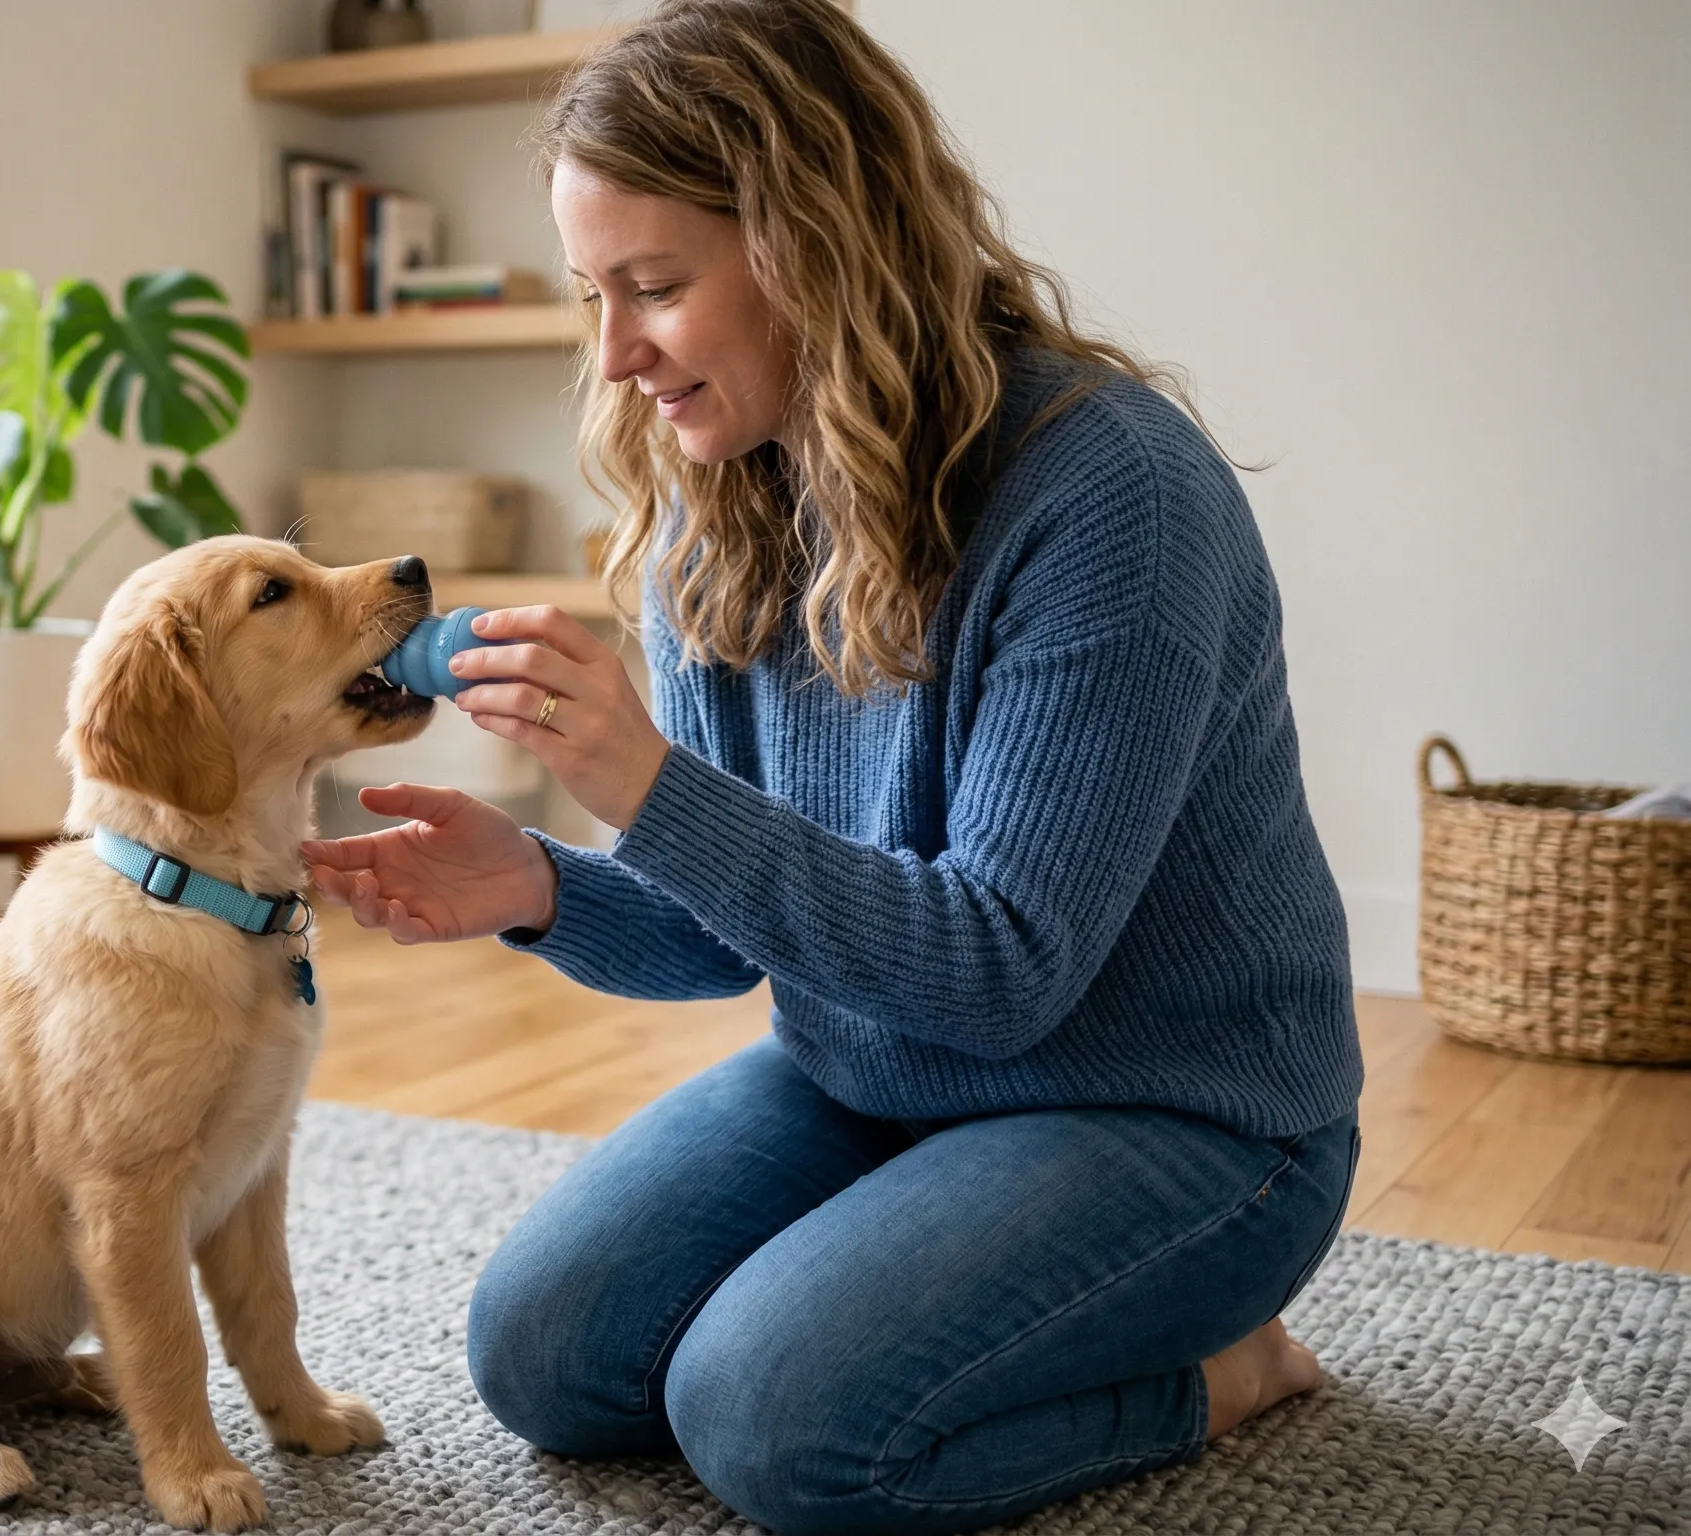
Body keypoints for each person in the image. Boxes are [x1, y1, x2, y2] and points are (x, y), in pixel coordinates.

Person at [297, 3, 1365, 1532]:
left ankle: (1224, 1370)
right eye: (593, 294)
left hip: (1184, 1117)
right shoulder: (712, 510)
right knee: (542, 1355)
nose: (617, 354)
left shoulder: (1112, 494)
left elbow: (1004, 973)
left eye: (655, 287)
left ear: (816, 244)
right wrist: (536, 886)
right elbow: (729, 938)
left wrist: (646, 780)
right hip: (873, 1074)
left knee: (778, 1424)